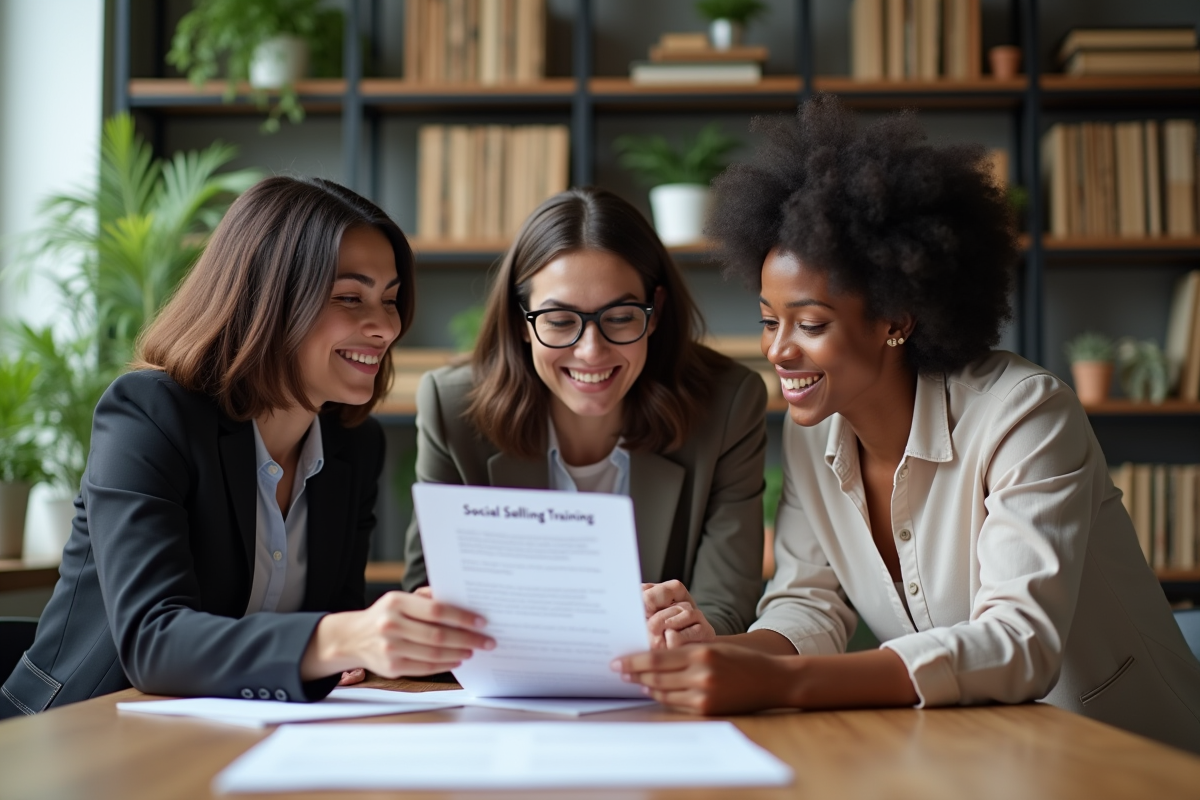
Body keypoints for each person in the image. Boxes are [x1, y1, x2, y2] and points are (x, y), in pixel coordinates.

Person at [617, 97, 1200, 754]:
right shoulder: (815, 434)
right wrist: (716, 658)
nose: (778, 350)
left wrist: (779, 682)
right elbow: (808, 606)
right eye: (767, 320)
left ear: (897, 318)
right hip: (980, 754)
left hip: (1128, 757)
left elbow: (1019, 642)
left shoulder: (1027, 415)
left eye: (809, 324)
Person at [0, 176, 494, 719]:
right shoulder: (148, 414)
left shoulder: (355, 446)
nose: (384, 327)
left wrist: (399, 636)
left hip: (235, 730)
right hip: (78, 732)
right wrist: (345, 636)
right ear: (269, 299)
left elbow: (332, 629)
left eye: (391, 300)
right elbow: (152, 640)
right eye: (350, 298)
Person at [401, 187, 767, 639]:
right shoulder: (450, 407)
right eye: (559, 321)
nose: (591, 351)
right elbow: (429, 594)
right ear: (522, 322)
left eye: (620, 317)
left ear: (654, 314)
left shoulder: (729, 404)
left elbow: (724, 609)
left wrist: (687, 631)